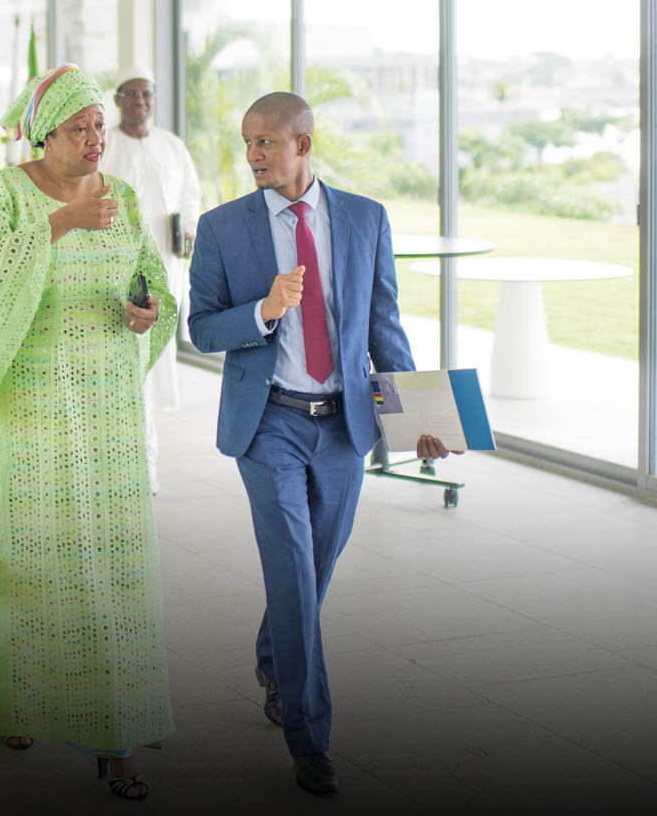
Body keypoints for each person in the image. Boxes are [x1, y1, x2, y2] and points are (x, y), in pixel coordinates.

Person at [186, 92, 453, 796]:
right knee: (295, 571)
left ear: (304, 142)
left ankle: (275, 660)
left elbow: (384, 327)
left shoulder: (365, 218)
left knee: (316, 568)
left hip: (342, 427)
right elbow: (202, 329)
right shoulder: (222, 228)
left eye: (266, 143)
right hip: (266, 422)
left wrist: (416, 421)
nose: (252, 157)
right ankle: (310, 739)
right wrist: (264, 310)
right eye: (246, 144)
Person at [0, 64, 175, 801]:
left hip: (107, 408)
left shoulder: (125, 196)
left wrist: (147, 309)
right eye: (79, 128)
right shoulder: (4, 196)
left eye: (100, 127)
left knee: (105, 564)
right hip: (26, 411)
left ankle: (115, 737)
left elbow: (152, 282)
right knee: (29, 559)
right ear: (42, 135)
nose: (94, 140)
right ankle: (20, 697)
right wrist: (55, 227)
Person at [99, 65, 203, 494]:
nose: (140, 103)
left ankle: (146, 465)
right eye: (132, 95)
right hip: (116, 275)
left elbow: (190, 196)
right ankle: (127, 465)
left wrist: (190, 230)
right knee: (123, 367)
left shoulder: (172, 146)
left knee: (152, 368)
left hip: (164, 271)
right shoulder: (104, 148)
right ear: (119, 100)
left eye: (147, 96)